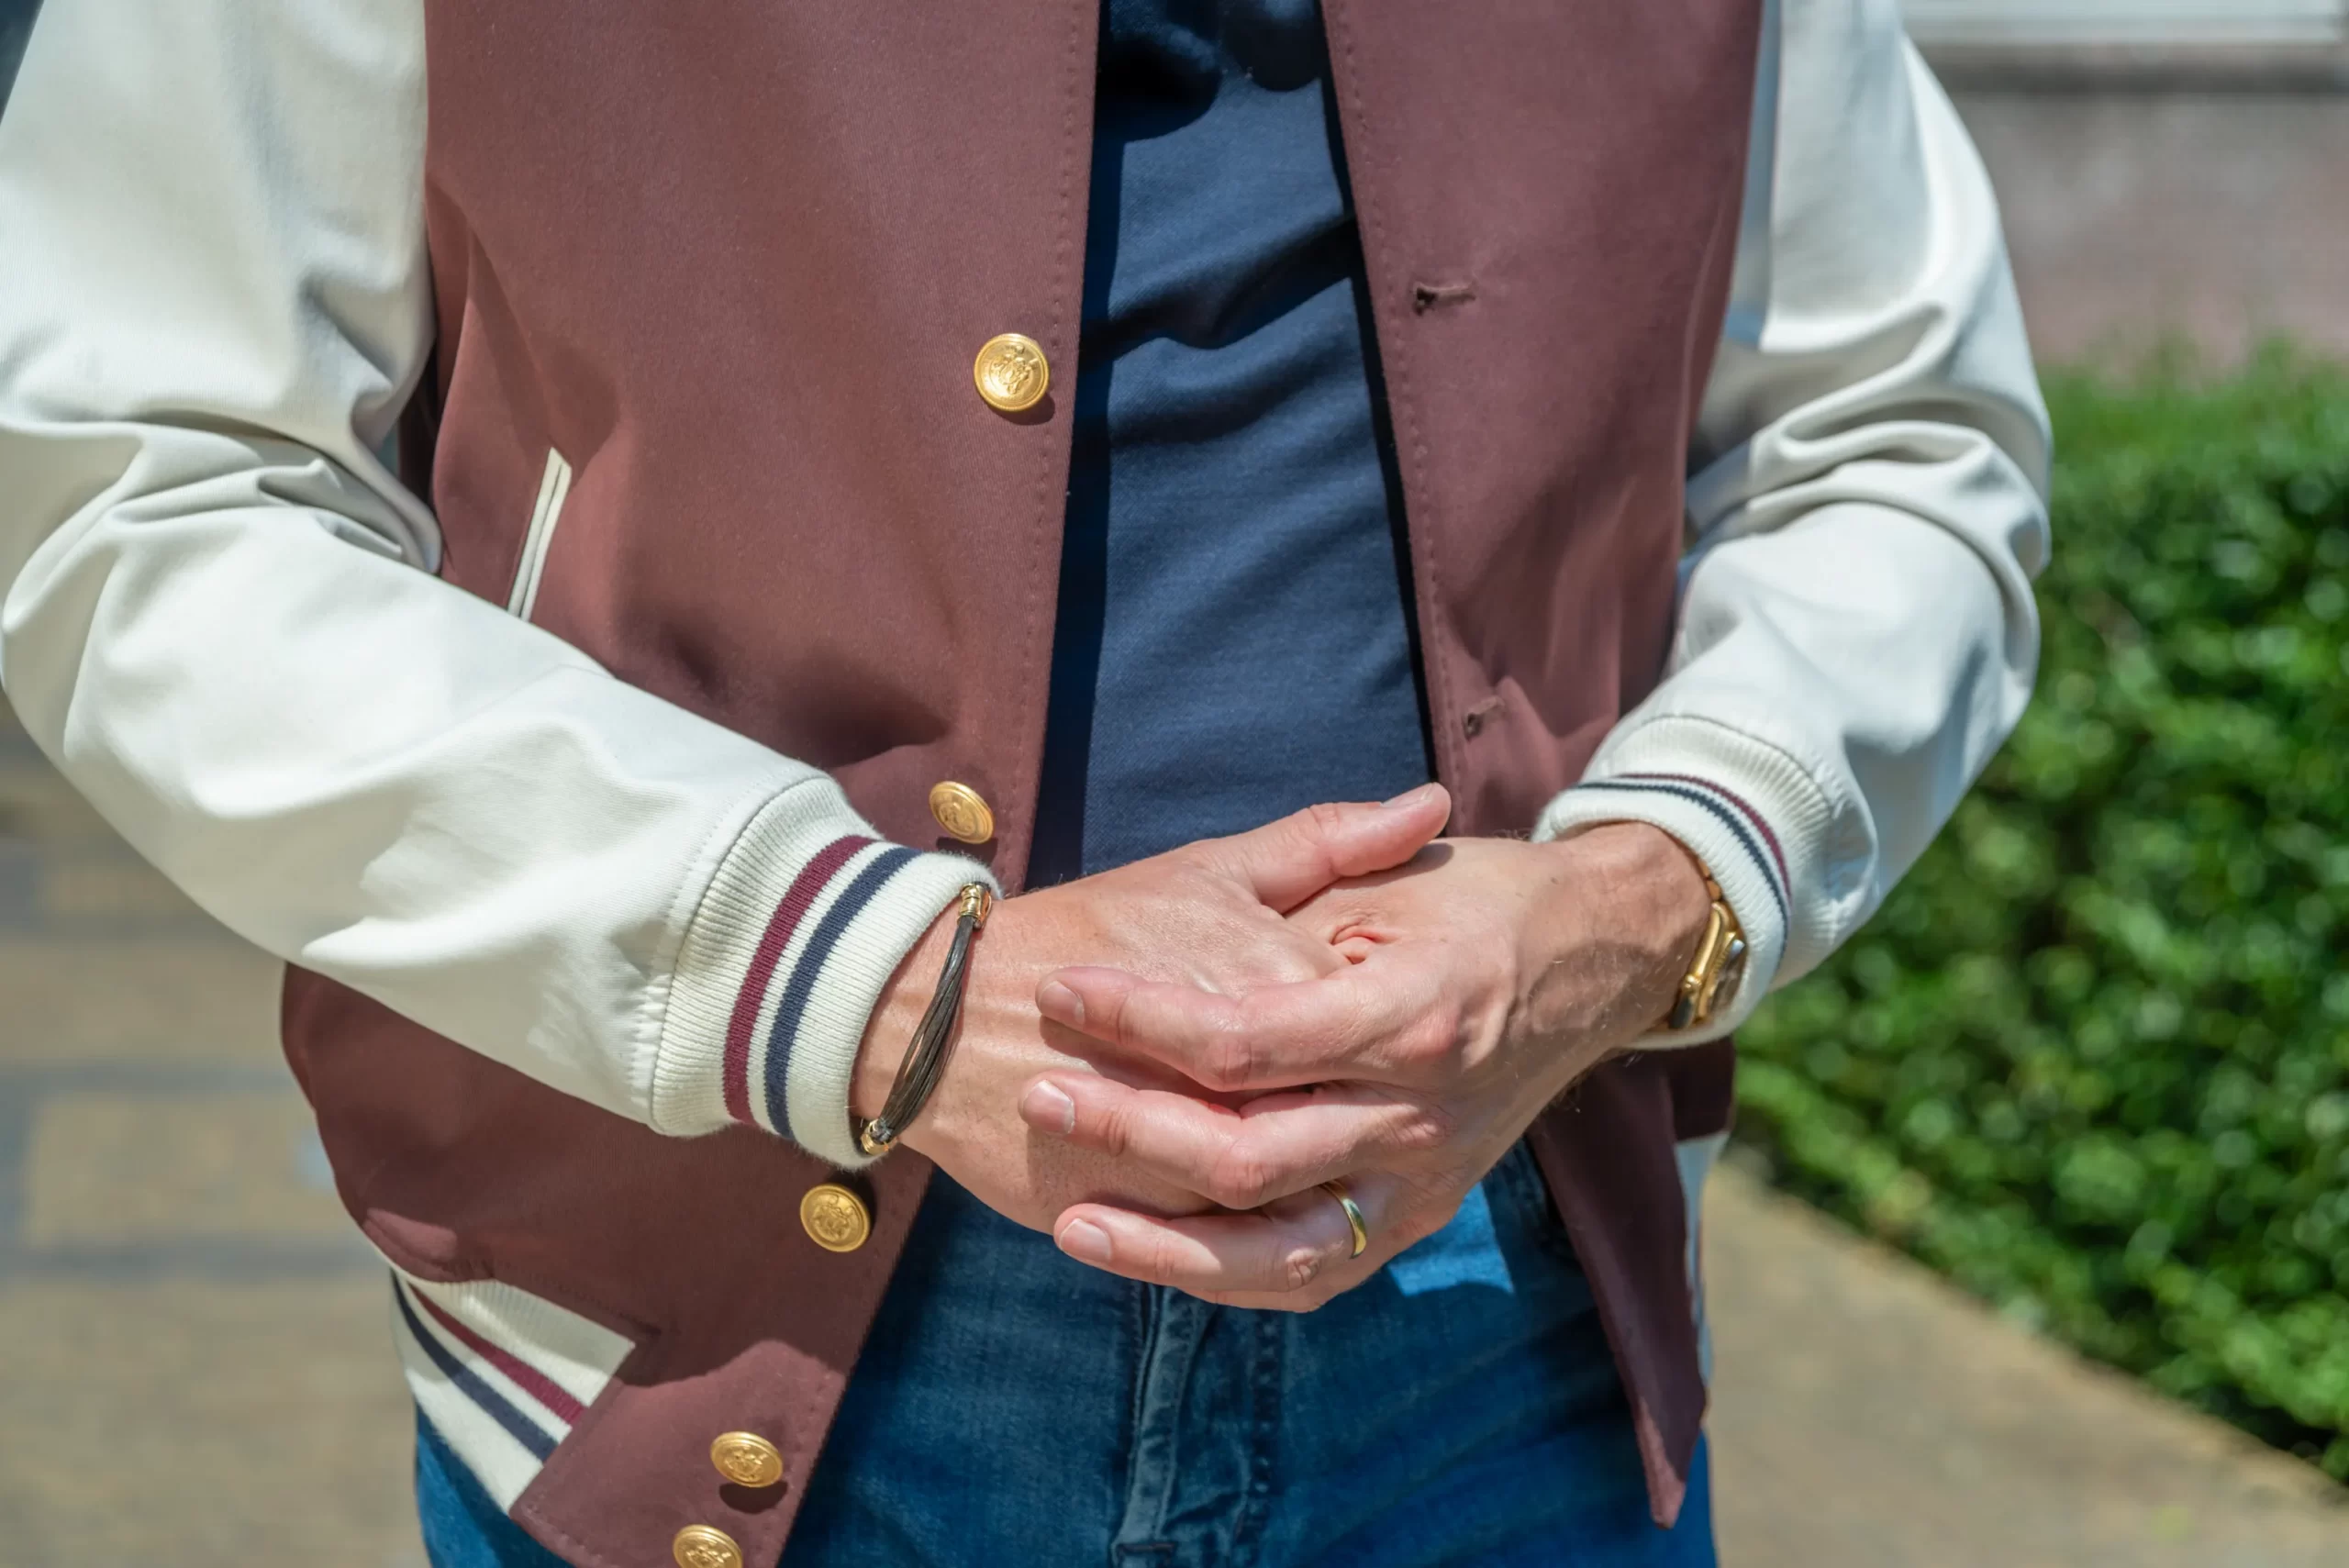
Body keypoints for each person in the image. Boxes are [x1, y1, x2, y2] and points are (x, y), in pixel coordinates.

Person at [0, 0, 2049, 1562]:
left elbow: (1896, 435)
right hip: (691, 1322)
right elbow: (142, 479)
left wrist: (1627, 903)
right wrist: (861, 977)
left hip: (1506, 1324)